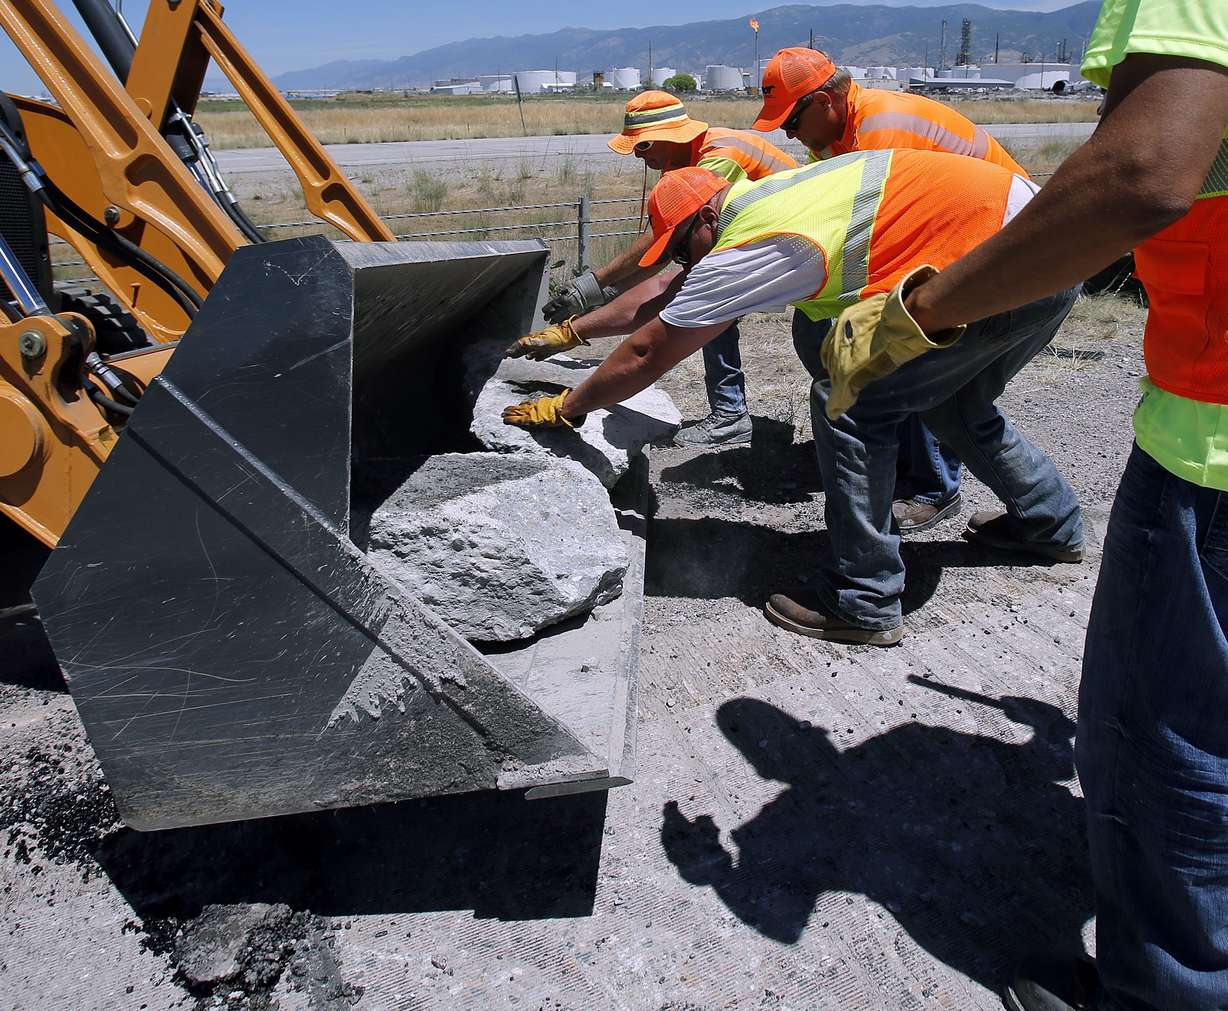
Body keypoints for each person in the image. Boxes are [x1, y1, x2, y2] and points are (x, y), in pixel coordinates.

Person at [819, 1, 1228, 1007]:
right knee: (965, 412)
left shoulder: (790, 184)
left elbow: (1139, 173)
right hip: (1035, 263)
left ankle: (1163, 994)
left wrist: (915, 313)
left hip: (1212, 430)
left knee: (1170, 739)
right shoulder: (855, 139)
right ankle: (1038, 523)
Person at [503, 156, 1083, 645]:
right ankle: (1048, 525)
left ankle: (864, 600)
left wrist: (571, 406)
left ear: (708, 216)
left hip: (1000, 259)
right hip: (1053, 248)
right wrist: (574, 332)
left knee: (850, 399)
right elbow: (668, 291)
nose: (685, 260)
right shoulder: (761, 200)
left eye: (683, 245)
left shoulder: (757, 243)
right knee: (956, 403)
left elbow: (647, 353)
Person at [752, 47, 1027, 534]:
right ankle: (896, 450)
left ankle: (931, 485)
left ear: (823, 102)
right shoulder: (836, 137)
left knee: (903, 357)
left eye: (791, 121)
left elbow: (884, 234)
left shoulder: (883, 128)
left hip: (999, 241)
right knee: (828, 333)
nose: (789, 135)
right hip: (957, 238)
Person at [528, 90, 797, 448]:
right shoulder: (688, 160)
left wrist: (591, 290)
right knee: (709, 307)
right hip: (776, 241)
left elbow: (665, 254)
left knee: (707, 310)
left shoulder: (717, 160)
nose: (639, 157)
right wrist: (594, 300)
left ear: (663, 138)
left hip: (792, 242)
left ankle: (731, 416)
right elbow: (663, 249)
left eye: (641, 147)